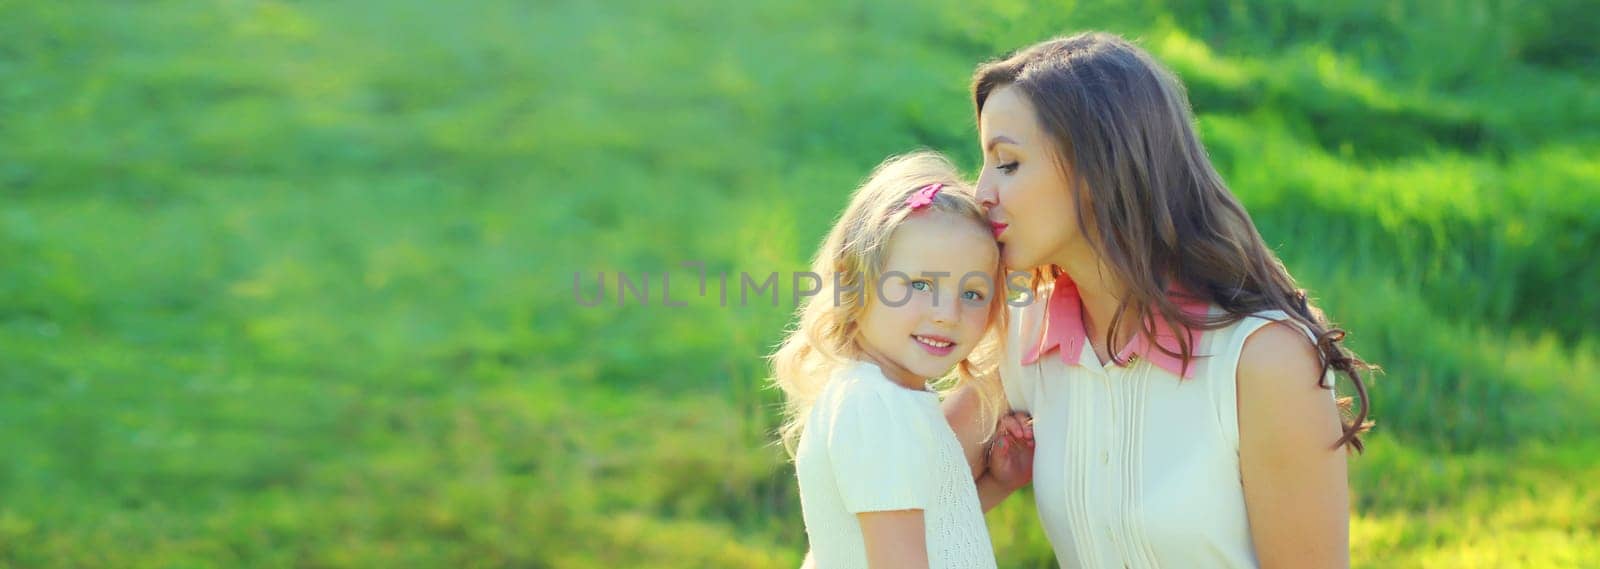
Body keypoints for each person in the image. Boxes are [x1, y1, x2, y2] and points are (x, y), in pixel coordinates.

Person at [945, 32, 1376, 568]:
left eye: (1007, 163)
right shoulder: (1031, 332)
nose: (981, 192)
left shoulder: (1264, 360)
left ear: (1099, 167)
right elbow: (908, 486)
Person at [772, 151, 1010, 568]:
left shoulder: (877, 397)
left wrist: (1000, 482)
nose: (947, 314)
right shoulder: (876, 406)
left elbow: (931, 528)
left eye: (972, 293)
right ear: (854, 280)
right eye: (919, 284)